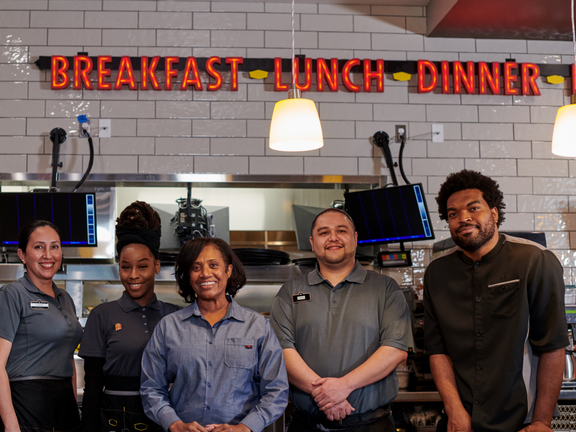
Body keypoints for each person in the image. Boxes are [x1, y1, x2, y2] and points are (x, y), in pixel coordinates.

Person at [424, 169, 567, 432]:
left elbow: (553, 346)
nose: (463, 218)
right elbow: (437, 350)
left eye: (473, 208)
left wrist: (542, 421)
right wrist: (454, 410)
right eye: (453, 214)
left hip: (520, 422)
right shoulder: (437, 272)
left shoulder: (535, 261)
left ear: (494, 213)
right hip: (459, 422)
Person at [270, 208, 414, 432]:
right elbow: (281, 351)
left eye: (341, 230)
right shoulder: (290, 291)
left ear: (355, 238)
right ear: (312, 242)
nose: (333, 238)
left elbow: (396, 349)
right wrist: (328, 395)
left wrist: (343, 386)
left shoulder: (385, 288)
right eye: (323, 232)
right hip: (307, 425)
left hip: (372, 425)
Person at [140, 237, 288, 432]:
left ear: (228, 270)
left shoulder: (257, 327)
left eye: (213, 265)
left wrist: (245, 427)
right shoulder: (168, 327)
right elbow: (151, 388)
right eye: (196, 267)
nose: (205, 274)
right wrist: (174, 424)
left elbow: (276, 390)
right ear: (188, 276)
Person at [79, 201, 181, 432]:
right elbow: (93, 383)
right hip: (115, 418)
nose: (133, 275)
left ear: (156, 266)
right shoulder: (102, 315)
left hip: (164, 416)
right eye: (126, 267)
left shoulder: (174, 316)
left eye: (142, 266)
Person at [0, 220, 83, 432]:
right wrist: (11, 426)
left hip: (64, 407)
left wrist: (73, 408)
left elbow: (68, 358)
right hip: (27, 406)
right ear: (22, 254)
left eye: (54, 246)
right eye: (39, 247)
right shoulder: (12, 294)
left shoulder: (65, 298)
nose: (48, 255)